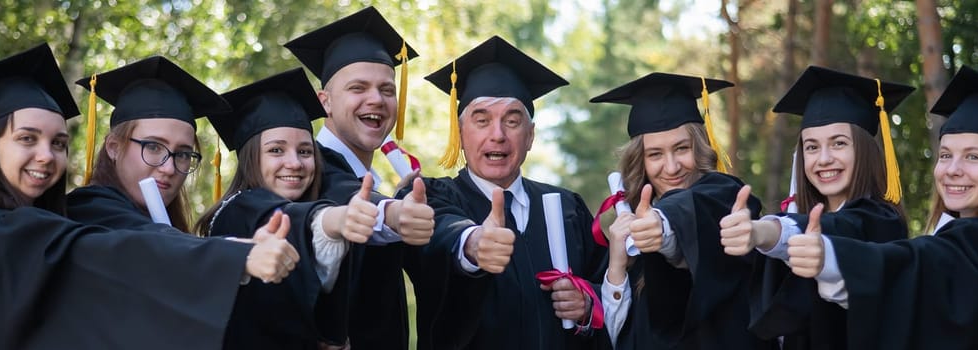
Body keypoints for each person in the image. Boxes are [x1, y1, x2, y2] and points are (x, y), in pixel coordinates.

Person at [0, 43, 297, 349]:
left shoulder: (3, 230)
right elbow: (106, 252)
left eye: (59, 142)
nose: (47, 156)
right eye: (27, 139)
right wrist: (237, 254)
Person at [788, 66, 978, 349]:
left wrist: (834, 256)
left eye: (973, 157)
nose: (952, 170)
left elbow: (918, 264)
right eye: (945, 155)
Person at [407, 35, 606, 349]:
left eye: (512, 121)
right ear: (460, 134)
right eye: (482, 120)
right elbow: (441, 237)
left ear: (530, 136)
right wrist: (473, 243)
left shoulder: (568, 208)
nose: (497, 135)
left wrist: (588, 305)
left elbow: (608, 285)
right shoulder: (433, 197)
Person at [197, 68, 402, 349]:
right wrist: (335, 220)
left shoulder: (300, 204)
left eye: (305, 151)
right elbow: (293, 219)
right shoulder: (239, 209)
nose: (294, 163)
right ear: (249, 157)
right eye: (276, 150)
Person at [716, 66, 914, 349]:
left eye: (839, 143)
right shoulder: (809, 216)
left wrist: (763, 231)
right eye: (811, 147)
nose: (823, 159)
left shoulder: (882, 221)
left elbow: (842, 229)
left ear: (866, 150)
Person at [285, 6, 434, 348]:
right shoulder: (307, 170)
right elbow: (345, 197)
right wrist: (395, 214)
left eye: (386, 89)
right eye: (358, 87)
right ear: (325, 102)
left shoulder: (370, 178)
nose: (376, 100)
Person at [589, 72, 768, 349]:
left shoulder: (724, 197)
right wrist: (616, 265)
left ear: (699, 147)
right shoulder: (627, 230)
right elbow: (613, 338)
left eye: (682, 148)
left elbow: (689, 215)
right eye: (655, 154)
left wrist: (661, 226)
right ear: (641, 161)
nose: (671, 167)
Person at [66, 55, 230, 233]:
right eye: (153, 147)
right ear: (114, 147)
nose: (169, 169)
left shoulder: (168, 225)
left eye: (183, 154)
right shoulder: (87, 213)